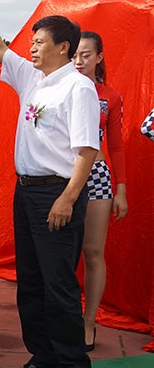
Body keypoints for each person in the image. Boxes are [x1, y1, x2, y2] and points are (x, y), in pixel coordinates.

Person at [0, 0, 99, 368]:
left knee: (59, 284)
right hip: (27, 191)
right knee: (32, 282)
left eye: (40, 42)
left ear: (63, 46)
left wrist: (68, 199)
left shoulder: (78, 88)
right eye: (32, 42)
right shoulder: (33, 78)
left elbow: (87, 151)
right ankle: (44, 356)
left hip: (57, 193)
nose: (32, 48)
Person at [72, 31, 128, 351]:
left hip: (97, 177)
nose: (79, 62)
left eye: (86, 56)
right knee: (62, 254)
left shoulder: (110, 96)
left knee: (92, 252)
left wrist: (121, 189)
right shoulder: (60, 89)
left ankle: (88, 324)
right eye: (75, 56)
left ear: (99, 57)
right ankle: (61, 321)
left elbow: (117, 147)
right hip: (62, 177)